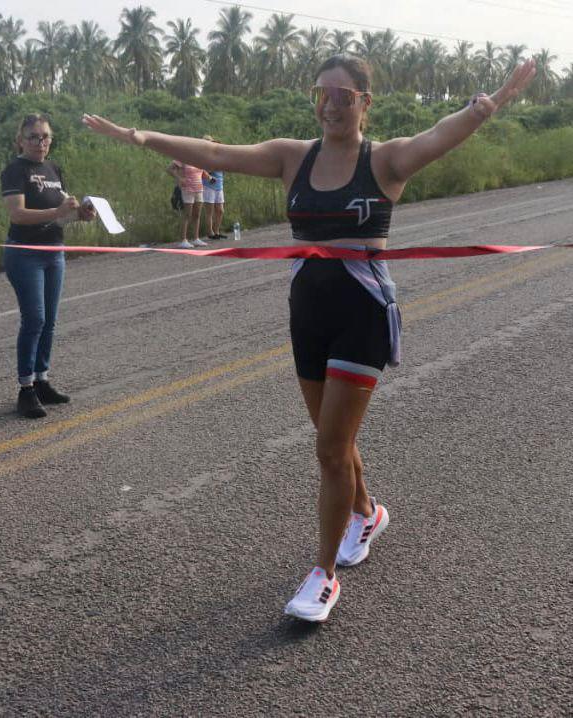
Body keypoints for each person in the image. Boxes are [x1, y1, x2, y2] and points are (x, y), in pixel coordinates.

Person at [83, 54, 535, 622]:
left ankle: (322, 576)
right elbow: (217, 154)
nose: (329, 105)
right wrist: (138, 135)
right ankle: (365, 512)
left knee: (327, 449)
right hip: (308, 313)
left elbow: (441, 134)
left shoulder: (386, 160)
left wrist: (489, 104)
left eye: (342, 95)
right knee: (332, 436)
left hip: (362, 314)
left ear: (364, 103)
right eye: (321, 94)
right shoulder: (292, 157)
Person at [1, 113, 96, 419]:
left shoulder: (54, 169)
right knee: (34, 320)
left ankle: (42, 379)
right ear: (20, 140)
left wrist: (79, 214)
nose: (40, 142)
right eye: (33, 137)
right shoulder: (15, 170)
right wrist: (56, 210)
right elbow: (17, 214)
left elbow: (59, 213)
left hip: (54, 251)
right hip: (25, 254)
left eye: (45, 137)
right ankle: (26, 389)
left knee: (50, 320)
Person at [167, 159, 209, 248]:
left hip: (199, 188)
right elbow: (169, 169)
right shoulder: (182, 157)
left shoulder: (197, 158)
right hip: (187, 189)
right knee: (187, 214)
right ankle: (183, 240)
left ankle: (196, 239)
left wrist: (208, 176)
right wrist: (180, 178)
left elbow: (202, 172)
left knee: (197, 214)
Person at [201, 135, 227, 241]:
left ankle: (216, 231)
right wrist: (210, 174)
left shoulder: (217, 155)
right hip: (208, 185)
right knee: (209, 211)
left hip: (219, 185)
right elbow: (203, 170)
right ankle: (210, 233)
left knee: (220, 210)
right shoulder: (203, 157)